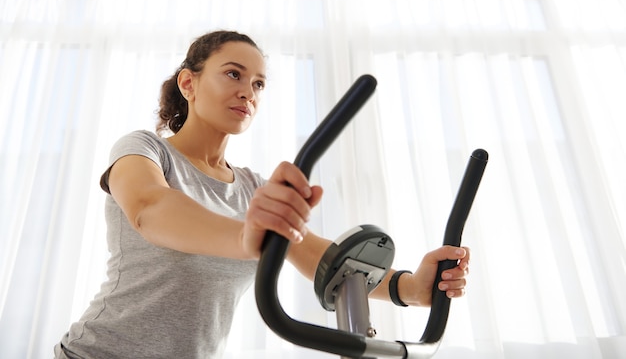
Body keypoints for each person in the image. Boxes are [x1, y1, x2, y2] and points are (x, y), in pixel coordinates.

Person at [54, 30, 470, 358]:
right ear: (188, 82)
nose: (248, 92)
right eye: (233, 74)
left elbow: (321, 258)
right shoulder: (145, 149)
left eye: (258, 84)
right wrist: (243, 236)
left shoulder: (254, 188)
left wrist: (409, 287)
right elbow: (151, 209)